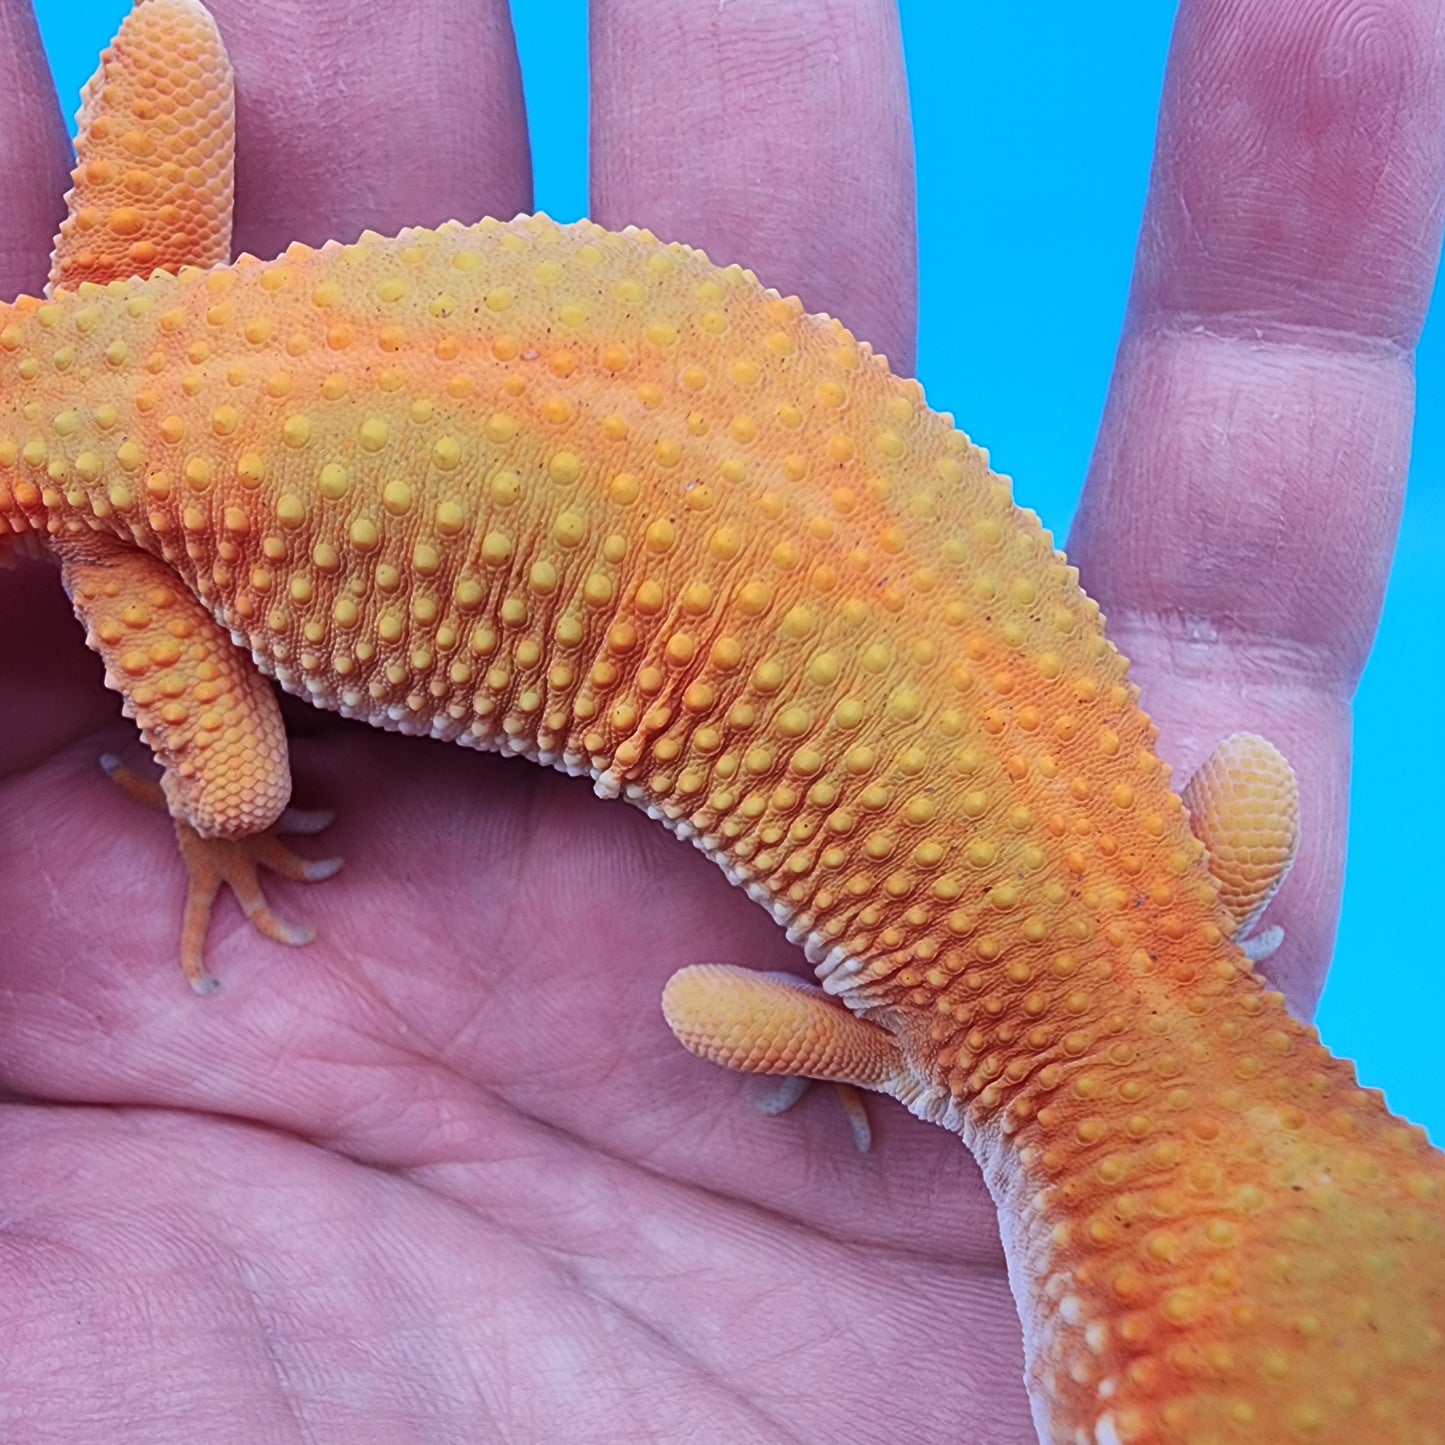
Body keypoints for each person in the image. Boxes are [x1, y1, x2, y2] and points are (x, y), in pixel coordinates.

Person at [0, 0, 1438, 1438]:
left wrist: (1169, 934)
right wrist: (221, 839)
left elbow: (1250, 781)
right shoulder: (940, 1041)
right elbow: (709, 1011)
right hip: (194, 479)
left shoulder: (1206, 879)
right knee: (238, 796)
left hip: (207, 333)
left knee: (178, 38)